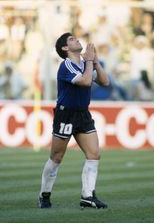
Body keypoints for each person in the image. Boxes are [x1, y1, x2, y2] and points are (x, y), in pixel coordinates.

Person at [38, 32, 109, 209]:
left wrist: (96, 62)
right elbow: (85, 82)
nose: (76, 39)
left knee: (94, 154)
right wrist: (90, 62)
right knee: (56, 157)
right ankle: (44, 195)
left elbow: (105, 81)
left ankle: (87, 196)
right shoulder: (66, 65)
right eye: (71, 39)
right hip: (66, 114)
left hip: (83, 113)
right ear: (65, 48)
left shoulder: (86, 64)